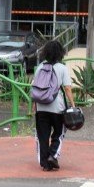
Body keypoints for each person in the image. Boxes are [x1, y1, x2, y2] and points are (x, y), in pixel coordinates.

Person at [33, 40, 75, 172]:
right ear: (60, 53)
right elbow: (67, 88)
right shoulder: (62, 68)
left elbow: (35, 88)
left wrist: (34, 106)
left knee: (42, 136)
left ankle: (45, 163)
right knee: (59, 133)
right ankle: (53, 155)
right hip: (57, 108)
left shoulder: (40, 67)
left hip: (41, 107)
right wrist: (73, 104)